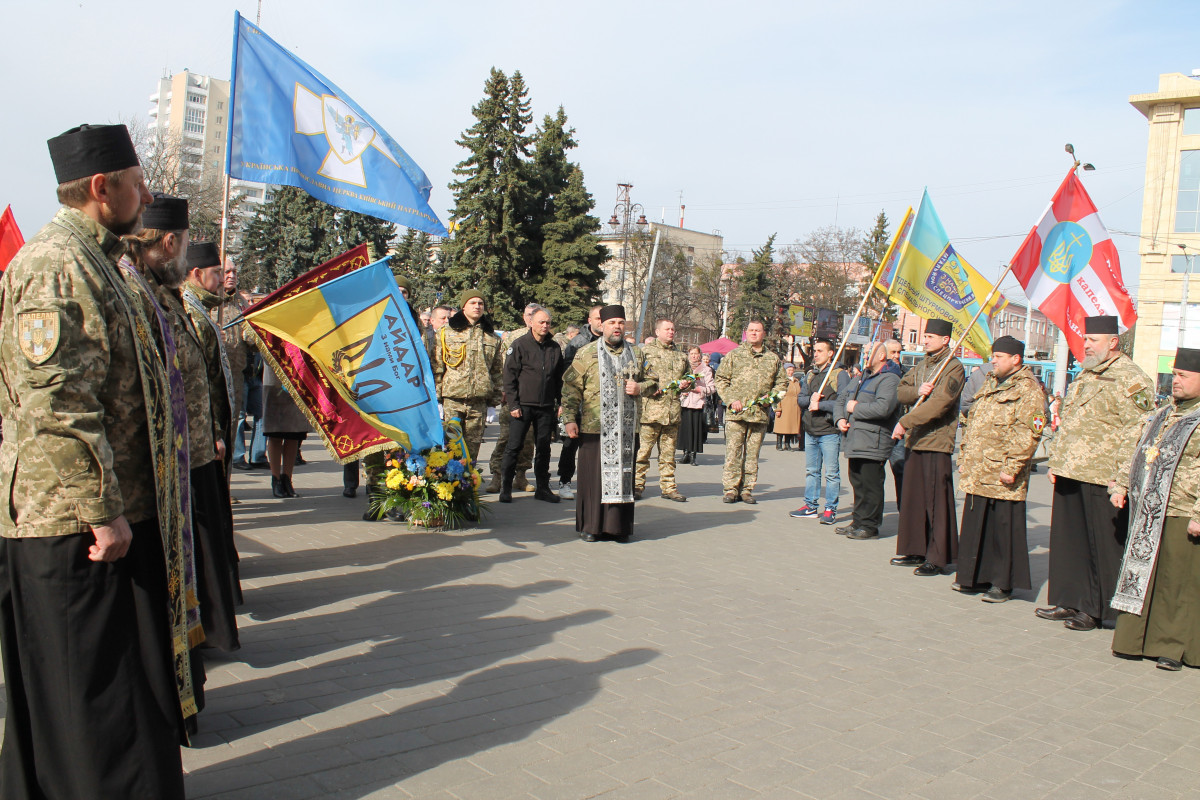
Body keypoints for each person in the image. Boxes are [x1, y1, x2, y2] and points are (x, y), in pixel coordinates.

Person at [0, 124, 187, 798]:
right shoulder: (57, 264)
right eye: (139, 182)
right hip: (72, 526)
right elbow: (58, 405)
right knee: (91, 702)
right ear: (103, 187)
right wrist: (101, 512)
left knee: (99, 694)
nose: (149, 194)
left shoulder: (101, 260)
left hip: (106, 516)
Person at [125, 200, 241, 655]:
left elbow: (201, 378)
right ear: (171, 244)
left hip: (196, 443)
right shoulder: (145, 296)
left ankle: (205, 631)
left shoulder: (170, 298)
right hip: (174, 454)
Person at [1037, 315, 1154, 631]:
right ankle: (1069, 600)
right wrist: (1057, 461)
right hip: (1072, 471)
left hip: (1103, 475)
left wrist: (1122, 479)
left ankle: (1096, 609)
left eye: (1093, 340)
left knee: (1100, 545)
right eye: (1085, 339)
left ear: (1113, 342)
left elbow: (1137, 433)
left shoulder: (1131, 378)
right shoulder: (1086, 374)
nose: (1086, 345)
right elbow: (1069, 421)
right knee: (1069, 541)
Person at [1110, 347, 1200, 670]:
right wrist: (1121, 485)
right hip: (1149, 508)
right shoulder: (1163, 413)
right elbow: (1140, 449)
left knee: (1175, 583)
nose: (1176, 381)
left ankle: (1172, 648)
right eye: (1174, 375)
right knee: (1143, 576)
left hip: (1181, 509)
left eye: (1183, 376)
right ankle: (1133, 641)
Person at [952, 336, 1045, 602]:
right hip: (979, 469)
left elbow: (1030, 431)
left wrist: (1013, 466)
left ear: (1016, 359)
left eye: (999, 357)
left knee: (1002, 530)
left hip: (1003, 472)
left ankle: (1001, 584)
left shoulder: (1028, 389)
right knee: (976, 526)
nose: (993, 361)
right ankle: (974, 577)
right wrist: (965, 455)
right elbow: (972, 419)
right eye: (993, 356)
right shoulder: (991, 381)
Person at [561, 305, 655, 542]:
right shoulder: (586, 353)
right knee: (593, 479)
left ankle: (618, 528)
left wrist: (640, 387)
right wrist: (569, 419)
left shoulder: (637, 354)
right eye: (612, 323)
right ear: (601, 325)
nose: (617, 327)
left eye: (621, 323)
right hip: (594, 427)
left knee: (623, 477)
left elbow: (653, 381)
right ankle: (591, 527)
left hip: (626, 428)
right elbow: (571, 388)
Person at [890, 319, 965, 576]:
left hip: (936, 441)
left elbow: (939, 404)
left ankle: (937, 556)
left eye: (930, 336)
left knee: (936, 502)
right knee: (914, 499)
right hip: (916, 440)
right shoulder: (922, 365)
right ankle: (915, 549)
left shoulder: (953, 367)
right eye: (925, 335)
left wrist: (905, 422)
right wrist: (917, 391)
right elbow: (901, 391)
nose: (925, 340)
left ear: (945, 340)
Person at [715, 320, 787, 504]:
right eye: (751, 330)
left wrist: (771, 398)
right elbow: (721, 379)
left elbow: (782, 383)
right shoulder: (734, 355)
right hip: (736, 415)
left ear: (764, 334)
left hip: (758, 415)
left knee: (752, 455)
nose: (754, 333)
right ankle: (731, 489)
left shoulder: (772, 359)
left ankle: (747, 489)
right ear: (746, 333)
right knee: (733, 453)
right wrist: (731, 399)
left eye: (758, 330)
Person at [836, 342, 901, 540]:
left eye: (868, 353)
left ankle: (870, 526)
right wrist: (839, 419)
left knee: (871, 485)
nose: (864, 357)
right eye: (864, 353)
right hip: (855, 439)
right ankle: (858, 521)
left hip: (874, 441)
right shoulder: (861, 378)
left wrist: (855, 408)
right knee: (858, 482)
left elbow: (883, 408)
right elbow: (842, 400)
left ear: (881, 356)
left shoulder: (890, 379)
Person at [500, 306, 564, 504]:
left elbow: (559, 379)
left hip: (545, 407)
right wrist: (513, 405)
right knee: (514, 446)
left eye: (548, 323)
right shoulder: (519, 345)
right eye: (541, 322)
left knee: (544, 448)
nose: (545, 326)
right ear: (531, 323)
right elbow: (509, 377)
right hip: (522, 406)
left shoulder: (554, 348)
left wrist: (561, 402)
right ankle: (506, 487)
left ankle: (543, 488)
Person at [431, 289, 503, 464]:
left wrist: (493, 403)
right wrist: (437, 399)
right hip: (452, 400)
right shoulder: (446, 332)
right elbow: (437, 366)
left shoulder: (492, 336)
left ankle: (469, 479)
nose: (477, 306)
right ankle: (451, 480)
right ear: (464, 306)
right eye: (473, 303)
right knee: (451, 448)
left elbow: (496, 371)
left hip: (478, 402)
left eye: (480, 303)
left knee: (472, 451)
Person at [634, 319, 692, 502]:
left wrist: (687, 383)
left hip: (671, 413)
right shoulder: (645, 352)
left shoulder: (681, 355)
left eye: (673, 329)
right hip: (650, 413)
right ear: (657, 332)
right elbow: (635, 378)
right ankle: (636, 486)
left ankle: (669, 488)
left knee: (668, 456)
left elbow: (690, 377)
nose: (671, 332)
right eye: (667, 329)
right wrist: (648, 388)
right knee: (642, 454)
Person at [792, 338, 848, 524]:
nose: (815, 354)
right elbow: (801, 399)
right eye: (814, 351)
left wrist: (821, 404)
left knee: (831, 473)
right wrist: (811, 400)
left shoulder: (840, 374)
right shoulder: (810, 374)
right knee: (812, 471)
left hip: (829, 431)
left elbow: (844, 402)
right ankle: (810, 506)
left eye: (820, 351)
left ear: (830, 353)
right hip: (810, 430)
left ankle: (830, 508)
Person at [487, 303, 538, 493]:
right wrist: (502, 390)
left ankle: (521, 476)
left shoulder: (543, 337)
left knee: (528, 440)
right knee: (506, 437)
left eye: (535, 314)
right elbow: (501, 365)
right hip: (513, 397)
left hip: (532, 398)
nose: (531, 317)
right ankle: (497, 475)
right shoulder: (513, 337)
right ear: (524, 317)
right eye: (529, 314)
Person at [556, 305, 603, 499]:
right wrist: (565, 404)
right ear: (589, 320)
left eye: (604, 318)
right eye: (597, 318)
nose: (601, 322)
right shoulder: (578, 343)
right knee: (570, 444)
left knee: (597, 446)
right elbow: (568, 376)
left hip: (601, 406)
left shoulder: (611, 341)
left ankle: (596, 484)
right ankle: (564, 481)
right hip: (580, 403)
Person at [678, 345, 715, 465]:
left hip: (697, 403)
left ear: (700, 355)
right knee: (685, 429)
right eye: (692, 354)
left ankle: (693, 454)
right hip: (684, 402)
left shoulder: (706, 370)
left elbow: (711, 388)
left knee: (695, 430)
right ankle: (685, 453)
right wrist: (682, 387)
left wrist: (699, 389)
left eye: (696, 354)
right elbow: (677, 382)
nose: (694, 356)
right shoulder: (684, 368)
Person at [884, 338, 908, 508]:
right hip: (880, 428)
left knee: (901, 471)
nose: (897, 356)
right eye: (893, 352)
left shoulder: (907, 374)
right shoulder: (878, 372)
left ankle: (904, 509)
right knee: (874, 474)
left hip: (899, 431)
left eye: (899, 352)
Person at [774, 362, 802, 450]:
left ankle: (787, 444)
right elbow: (777, 395)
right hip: (784, 406)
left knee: (790, 427)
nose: (791, 372)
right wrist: (778, 409)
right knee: (782, 427)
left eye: (792, 370)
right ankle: (779, 444)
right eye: (789, 370)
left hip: (794, 408)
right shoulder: (782, 381)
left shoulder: (796, 381)